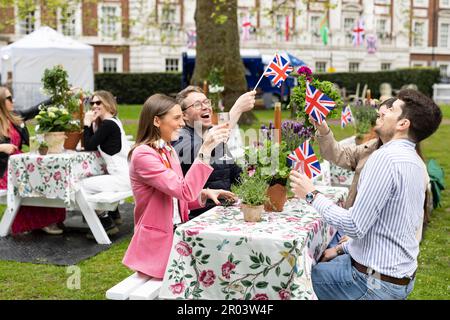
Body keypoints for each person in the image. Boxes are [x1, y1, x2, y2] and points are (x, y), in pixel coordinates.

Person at [290, 89, 442, 300]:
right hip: (398, 277)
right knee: (323, 259)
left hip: (372, 283)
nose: (382, 109)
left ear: (403, 124)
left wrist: (311, 194)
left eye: (391, 108)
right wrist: (342, 249)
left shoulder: (385, 158)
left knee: (293, 280)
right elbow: (386, 226)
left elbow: (354, 226)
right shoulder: (415, 162)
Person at [122, 94, 236, 278]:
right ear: (157, 121)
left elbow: (178, 195)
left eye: (181, 117)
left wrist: (205, 194)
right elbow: (184, 190)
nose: (182, 123)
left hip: (178, 237)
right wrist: (205, 149)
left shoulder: (168, 150)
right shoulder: (143, 155)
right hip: (156, 248)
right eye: (176, 118)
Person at [314, 98, 429, 246]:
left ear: (402, 124)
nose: (378, 116)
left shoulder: (393, 163)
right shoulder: (374, 147)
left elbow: (394, 223)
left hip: (368, 245)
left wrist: (312, 195)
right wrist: (323, 128)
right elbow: (340, 154)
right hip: (358, 233)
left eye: (385, 112)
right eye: (379, 115)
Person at [172, 86, 256, 218]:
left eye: (206, 102)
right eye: (197, 104)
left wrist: (256, 177)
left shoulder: (213, 136)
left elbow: (233, 172)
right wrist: (237, 109)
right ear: (184, 115)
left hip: (225, 212)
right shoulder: (179, 137)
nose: (205, 107)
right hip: (198, 217)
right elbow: (203, 149)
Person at [0, 86, 66, 235]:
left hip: (19, 163)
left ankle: (51, 218)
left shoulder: (14, 116)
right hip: (4, 171)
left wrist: (59, 96)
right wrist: (2, 147)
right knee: (34, 180)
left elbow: (36, 109)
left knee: (47, 174)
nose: (12, 101)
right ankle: (42, 222)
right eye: (9, 98)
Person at [82, 90, 131, 236]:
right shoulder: (113, 121)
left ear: (108, 104)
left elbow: (89, 145)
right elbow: (93, 140)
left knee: (80, 187)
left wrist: (86, 123)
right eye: (92, 103)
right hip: (126, 175)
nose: (94, 106)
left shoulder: (108, 124)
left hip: (121, 178)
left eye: (99, 102)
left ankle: (105, 220)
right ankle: (114, 214)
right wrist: (91, 124)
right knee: (97, 182)